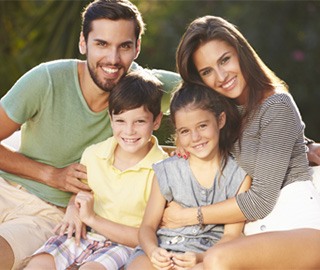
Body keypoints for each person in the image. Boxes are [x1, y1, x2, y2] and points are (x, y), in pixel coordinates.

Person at [0, 0, 180, 269]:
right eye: (102, 44)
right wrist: (51, 174)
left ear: (137, 48)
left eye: (124, 46)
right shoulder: (45, 80)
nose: (113, 59)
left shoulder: (147, 89)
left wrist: (185, 151)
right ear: (83, 43)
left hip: (47, 213)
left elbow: (214, 93)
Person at [160, 15, 320, 269]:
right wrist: (188, 138)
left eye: (225, 60)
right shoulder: (224, 118)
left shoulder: (277, 105)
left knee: (216, 259)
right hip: (253, 236)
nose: (222, 76)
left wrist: (188, 217)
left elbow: (261, 200)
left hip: (297, 228)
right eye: (207, 71)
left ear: (241, 53)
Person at [23, 70, 168, 270]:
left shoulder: (162, 169)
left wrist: (92, 218)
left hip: (123, 245)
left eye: (140, 121)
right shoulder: (94, 154)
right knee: (38, 264)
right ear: (110, 119)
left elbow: (147, 237)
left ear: (157, 121)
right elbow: (81, 195)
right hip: (84, 236)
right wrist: (74, 208)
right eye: (121, 121)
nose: (129, 131)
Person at [127, 84, 251, 270]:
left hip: (207, 254)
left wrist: (200, 257)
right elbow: (147, 227)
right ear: (177, 133)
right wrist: (153, 251)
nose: (195, 137)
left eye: (202, 126)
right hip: (163, 247)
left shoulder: (239, 175)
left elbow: (231, 237)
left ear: (220, 120)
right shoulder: (167, 171)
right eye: (185, 131)